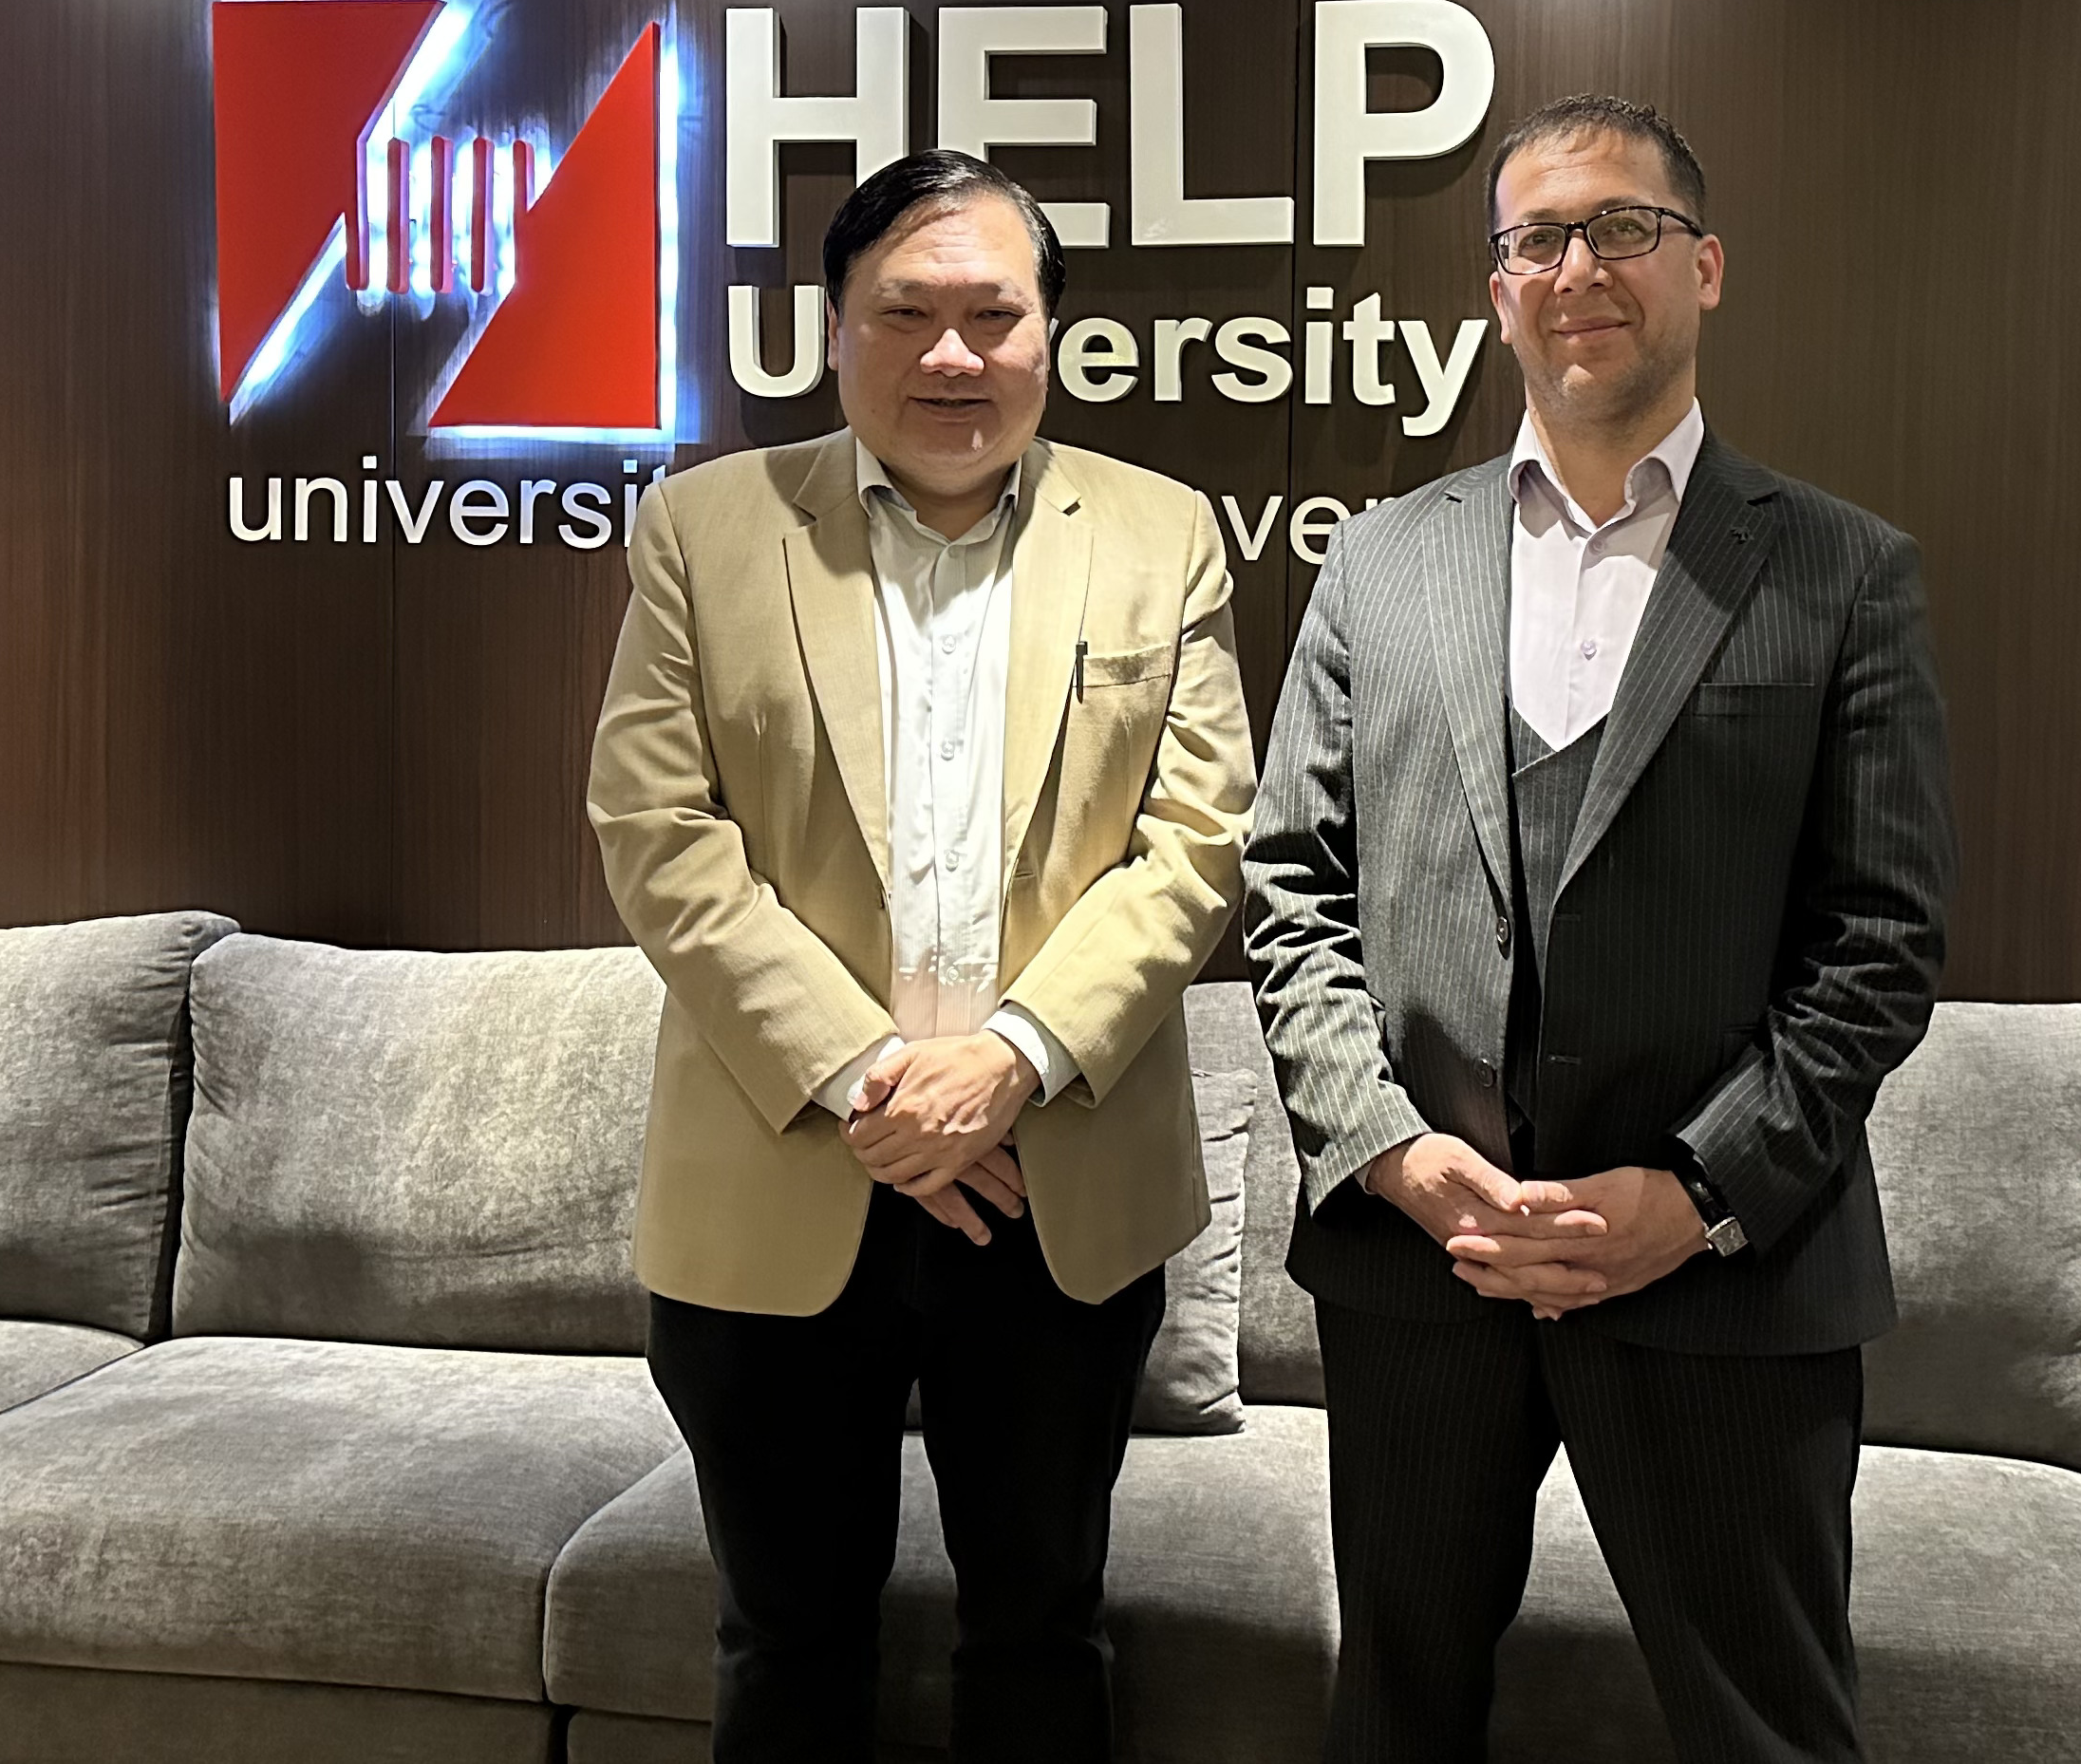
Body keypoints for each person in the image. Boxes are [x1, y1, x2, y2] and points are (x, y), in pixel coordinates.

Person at [1246, 93, 1954, 1764]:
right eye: (1538, 240)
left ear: (1704, 267)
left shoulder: (1842, 572)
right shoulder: (1379, 562)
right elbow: (1291, 890)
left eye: (1623, 228)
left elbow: (1880, 940)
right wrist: (1393, 1156)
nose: (1579, 269)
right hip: (1425, 1270)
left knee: (1769, 1729)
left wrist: (1695, 1196)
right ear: (1499, 291)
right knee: (1398, 1717)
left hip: (1726, 1284)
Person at [587, 149, 1255, 1763]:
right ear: (832, 331)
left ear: (1050, 334)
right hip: (781, 1177)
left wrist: (1009, 1061)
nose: (953, 354)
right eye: (906, 313)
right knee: (788, 1643)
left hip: (1054, 1189)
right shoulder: (704, 529)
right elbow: (659, 831)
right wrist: (878, 1082)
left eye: (993, 315)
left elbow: (1196, 841)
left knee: (1041, 1636)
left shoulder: (1159, 534)